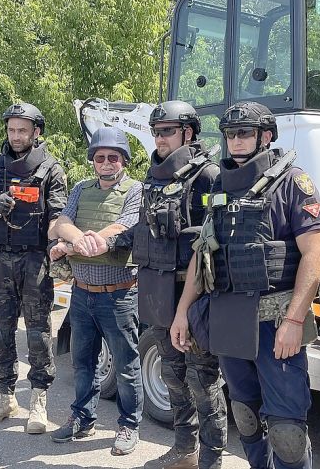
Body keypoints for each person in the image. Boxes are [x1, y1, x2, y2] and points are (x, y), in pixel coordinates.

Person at [171, 102, 320, 469]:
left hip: (276, 324)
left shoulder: (293, 183)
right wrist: (181, 313)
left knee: (287, 431)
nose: (236, 141)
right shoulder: (222, 184)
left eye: (244, 133)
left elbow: (315, 257)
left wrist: (293, 321)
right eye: (230, 134)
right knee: (245, 414)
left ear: (266, 136)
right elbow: (202, 254)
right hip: (229, 319)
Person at [126, 101, 227, 469]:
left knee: (203, 381)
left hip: (194, 294)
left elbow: (211, 246)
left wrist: (189, 306)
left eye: (167, 130)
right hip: (157, 291)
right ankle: (185, 449)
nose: (159, 138)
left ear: (188, 133)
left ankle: (211, 460)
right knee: (172, 374)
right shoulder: (153, 177)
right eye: (155, 131)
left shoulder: (208, 176)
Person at [0, 102, 68, 434]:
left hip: (35, 260)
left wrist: (61, 240)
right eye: (11, 129)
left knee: (38, 333)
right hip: (1, 258)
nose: (16, 135)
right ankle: (5, 396)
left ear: (37, 132)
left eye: (23, 130)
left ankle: (38, 399)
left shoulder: (52, 169)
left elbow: (58, 215)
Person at [48, 127, 144, 456]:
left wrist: (70, 246)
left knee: (126, 365)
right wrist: (74, 239)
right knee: (83, 362)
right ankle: (82, 419)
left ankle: (129, 426)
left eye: (113, 157)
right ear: (92, 161)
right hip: (82, 292)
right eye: (100, 157)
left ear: (124, 161)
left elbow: (123, 227)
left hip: (118, 294)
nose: (106, 162)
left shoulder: (135, 191)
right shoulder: (80, 188)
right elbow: (60, 221)